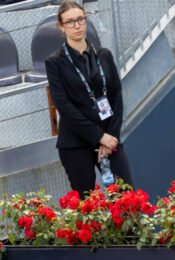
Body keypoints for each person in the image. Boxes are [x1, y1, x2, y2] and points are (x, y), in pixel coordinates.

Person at [45, 1, 132, 196]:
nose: (77, 26)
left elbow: (116, 98)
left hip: (109, 138)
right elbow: (64, 106)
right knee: (87, 205)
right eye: (70, 22)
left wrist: (110, 137)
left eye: (80, 19)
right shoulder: (54, 62)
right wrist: (99, 136)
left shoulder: (104, 55)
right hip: (76, 142)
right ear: (61, 26)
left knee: (126, 198)